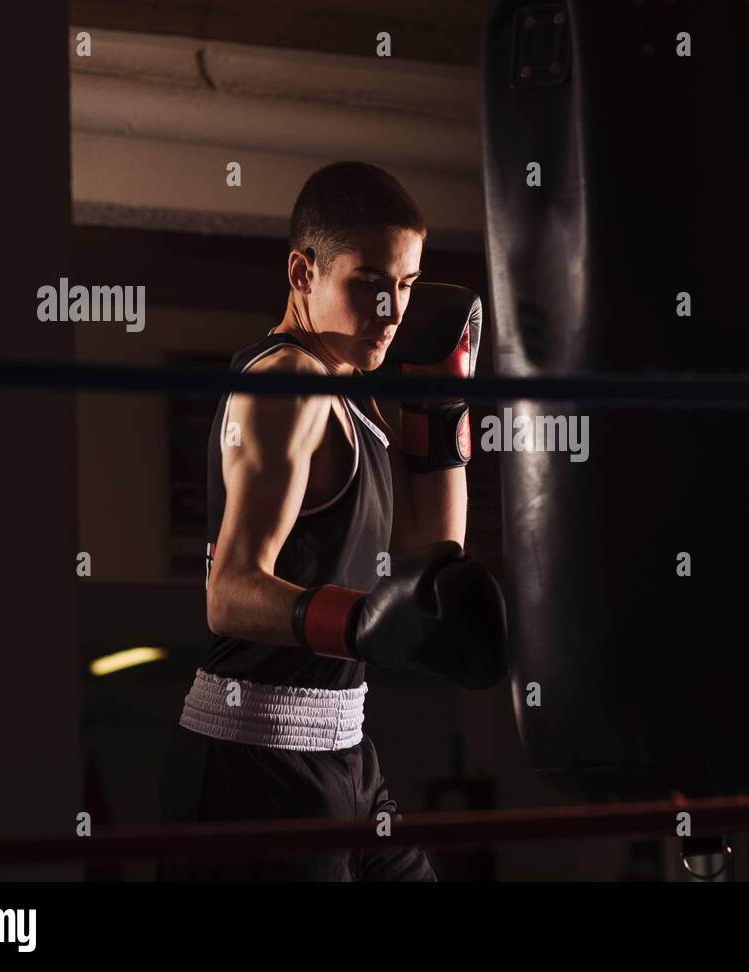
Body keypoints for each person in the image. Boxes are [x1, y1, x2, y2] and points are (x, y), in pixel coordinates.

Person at [157, 161, 506, 881]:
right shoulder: (287, 382)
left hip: (342, 749)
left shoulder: (359, 398)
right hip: (251, 760)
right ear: (302, 272)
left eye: (405, 287)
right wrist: (360, 622)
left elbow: (429, 565)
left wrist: (439, 418)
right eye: (370, 285)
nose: (392, 314)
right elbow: (228, 596)